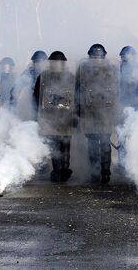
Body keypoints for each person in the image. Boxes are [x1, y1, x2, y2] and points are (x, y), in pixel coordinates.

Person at [75, 44, 118, 184]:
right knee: (93, 144)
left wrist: (115, 111)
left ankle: (105, 173)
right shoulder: (83, 69)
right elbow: (78, 89)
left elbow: (116, 92)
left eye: (98, 57)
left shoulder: (111, 69)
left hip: (105, 113)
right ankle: (95, 173)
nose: (96, 59)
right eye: (94, 57)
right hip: (89, 112)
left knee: (104, 143)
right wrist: (78, 109)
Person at [33, 51, 77, 182]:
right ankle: (59, 170)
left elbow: (77, 97)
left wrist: (76, 115)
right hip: (50, 117)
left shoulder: (70, 77)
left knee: (63, 144)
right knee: (56, 145)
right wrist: (38, 114)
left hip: (66, 117)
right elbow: (36, 96)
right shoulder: (43, 77)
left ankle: (63, 169)